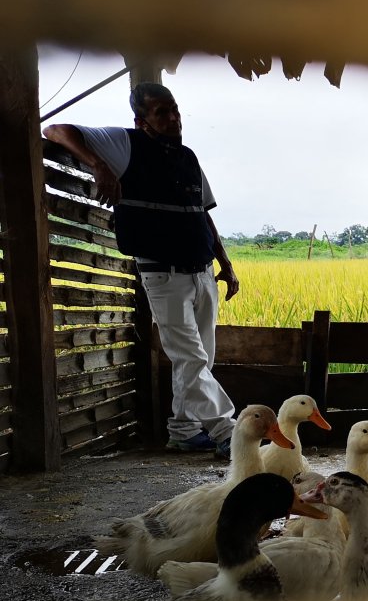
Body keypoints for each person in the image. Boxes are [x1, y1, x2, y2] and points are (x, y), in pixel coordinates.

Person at [44, 83, 240, 458]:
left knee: (200, 359)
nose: (172, 118)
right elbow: (55, 130)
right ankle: (227, 430)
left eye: (175, 110)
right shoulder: (124, 145)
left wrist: (226, 264)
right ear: (142, 121)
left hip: (201, 272)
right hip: (162, 274)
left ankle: (183, 430)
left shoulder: (187, 157)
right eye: (161, 112)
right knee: (190, 357)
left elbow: (203, 215)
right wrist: (98, 164)